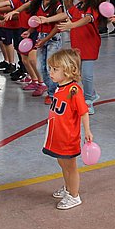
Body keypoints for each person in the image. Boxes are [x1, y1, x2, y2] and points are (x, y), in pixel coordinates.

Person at [43, 48, 93, 210]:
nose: (51, 72)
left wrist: (87, 131)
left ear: (68, 70)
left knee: (70, 167)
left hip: (68, 137)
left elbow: (83, 112)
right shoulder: (59, 88)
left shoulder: (73, 91)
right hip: (57, 134)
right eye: (50, 68)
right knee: (62, 163)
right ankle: (68, 187)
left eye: (55, 69)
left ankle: (74, 195)